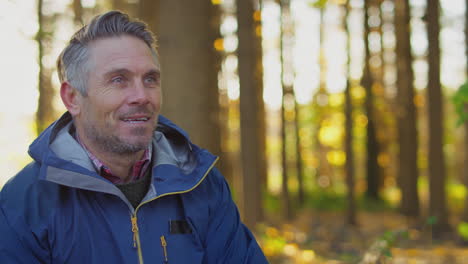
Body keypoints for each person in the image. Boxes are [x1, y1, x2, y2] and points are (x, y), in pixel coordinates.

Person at [0, 11, 268, 264]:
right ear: (73, 98)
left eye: (150, 79)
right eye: (119, 80)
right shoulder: (23, 203)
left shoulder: (202, 183)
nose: (142, 96)